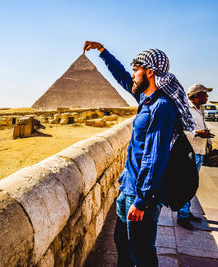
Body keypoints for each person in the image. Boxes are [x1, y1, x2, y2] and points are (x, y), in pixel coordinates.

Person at [83, 41, 194, 267]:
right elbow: (122, 77)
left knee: (142, 253)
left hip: (141, 195)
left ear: (150, 72)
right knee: (122, 244)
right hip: (128, 188)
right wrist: (103, 52)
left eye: (136, 70)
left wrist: (142, 201)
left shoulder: (161, 107)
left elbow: (155, 158)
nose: (132, 75)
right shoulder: (146, 100)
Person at [176, 84, 215, 230]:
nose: (207, 97)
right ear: (197, 95)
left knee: (192, 185)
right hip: (190, 152)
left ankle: (186, 211)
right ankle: (182, 216)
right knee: (187, 184)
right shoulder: (186, 110)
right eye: (205, 94)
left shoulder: (200, 109)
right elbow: (180, 130)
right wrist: (198, 133)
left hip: (199, 150)